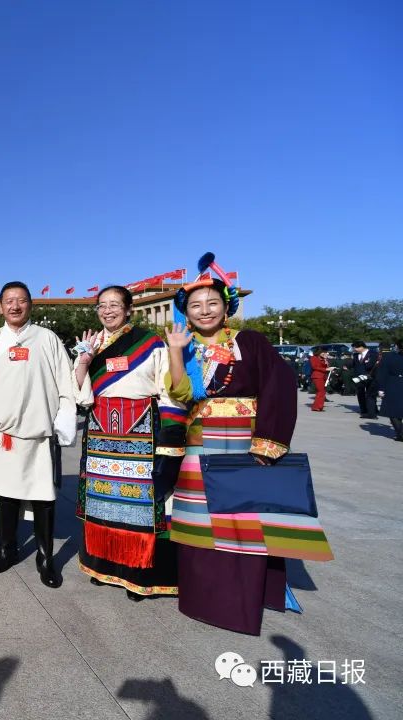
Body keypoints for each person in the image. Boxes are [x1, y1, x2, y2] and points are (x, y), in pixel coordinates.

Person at [165, 264, 333, 635]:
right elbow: (181, 394)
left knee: (243, 522)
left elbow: (278, 384)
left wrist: (269, 439)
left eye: (212, 303)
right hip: (200, 443)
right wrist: (176, 352)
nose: (205, 310)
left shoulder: (250, 342)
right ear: (185, 312)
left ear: (226, 307)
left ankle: (239, 600)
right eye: (195, 305)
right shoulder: (184, 345)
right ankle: (202, 597)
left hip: (242, 441)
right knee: (201, 521)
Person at [72, 286, 187, 601]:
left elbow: (167, 390)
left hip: (141, 431)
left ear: (128, 309)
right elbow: (80, 395)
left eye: (114, 305)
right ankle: (103, 565)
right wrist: (84, 362)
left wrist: (170, 436)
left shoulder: (149, 343)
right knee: (102, 503)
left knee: (141, 506)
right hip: (101, 433)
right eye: (102, 305)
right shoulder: (93, 344)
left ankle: (138, 575)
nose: (107, 310)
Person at [0, 281, 78, 588]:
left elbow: (65, 383)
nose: (15, 306)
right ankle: (7, 550)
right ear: (0, 307)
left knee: (44, 497)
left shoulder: (48, 339)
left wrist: (63, 422)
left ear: (31, 304)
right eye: (9, 301)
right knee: (6, 495)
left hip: (40, 433)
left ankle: (45, 558)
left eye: (21, 300)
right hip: (5, 434)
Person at [377, 338, 403, 442]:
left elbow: (382, 373)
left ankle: (400, 433)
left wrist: (381, 388)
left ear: (397, 346)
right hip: (395, 382)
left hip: (394, 384)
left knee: (393, 411)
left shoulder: (389, 357)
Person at [349, 341, 379, 418]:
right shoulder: (356, 355)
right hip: (358, 378)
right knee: (360, 394)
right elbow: (354, 365)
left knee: (370, 395)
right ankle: (364, 411)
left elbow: (372, 365)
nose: (354, 350)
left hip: (370, 377)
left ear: (361, 347)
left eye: (355, 348)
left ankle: (372, 412)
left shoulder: (373, 354)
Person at [309, 346, 330, 412]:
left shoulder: (323, 358)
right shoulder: (313, 358)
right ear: (319, 352)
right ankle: (317, 407)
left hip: (323, 376)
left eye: (325, 352)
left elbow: (326, 366)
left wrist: (325, 360)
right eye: (323, 352)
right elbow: (315, 367)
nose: (325, 353)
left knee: (322, 392)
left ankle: (318, 406)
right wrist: (326, 369)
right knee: (321, 391)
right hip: (317, 376)